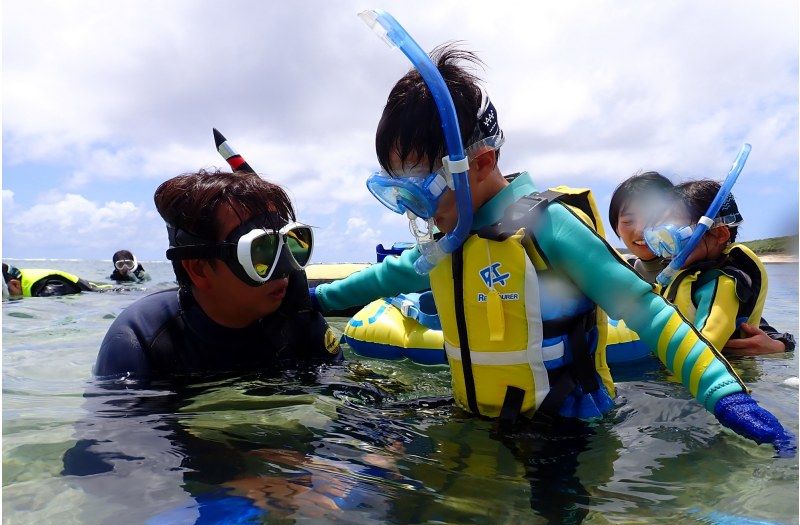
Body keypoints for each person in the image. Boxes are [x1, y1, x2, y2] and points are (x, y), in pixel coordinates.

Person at [310, 34, 790, 452]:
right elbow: (381, 278)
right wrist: (311, 298)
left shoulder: (549, 229)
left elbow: (651, 313)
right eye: (399, 188)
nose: (414, 207)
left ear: (480, 161)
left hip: (566, 430)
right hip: (483, 419)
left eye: (422, 185)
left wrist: (727, 397)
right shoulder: (450, 239)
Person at [94, 170, 343, 382]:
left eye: (291, 245)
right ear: (200, 269)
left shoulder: (294, 315)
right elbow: (119, 436)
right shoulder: (140, 340)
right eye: (261, 250)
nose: (286, 267)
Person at [609, 173, 794, 354]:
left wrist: (781, 345)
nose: (642, 230)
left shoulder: (710, 274)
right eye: (628, 220)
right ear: (615, 226)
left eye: (651, 220)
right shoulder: (615, 272)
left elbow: (745, 319)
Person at [2, 262, 104, 297]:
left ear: (15, 284)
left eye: (2, 293)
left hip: (105, 292)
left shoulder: (48, 290)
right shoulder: (20, 278)